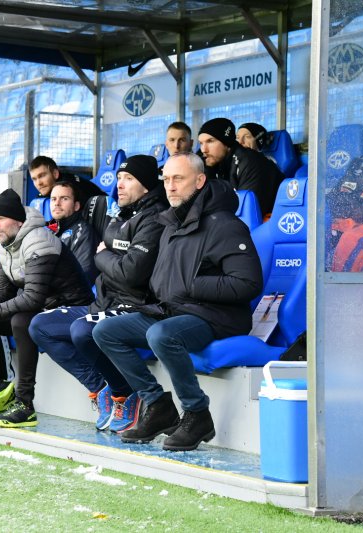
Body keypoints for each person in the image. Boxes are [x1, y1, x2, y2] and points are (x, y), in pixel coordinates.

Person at [92, 153, 263, 451]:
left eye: (178, 179)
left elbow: (247, 284)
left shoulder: (225, 225)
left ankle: (196, 413)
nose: (170, 186)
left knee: (162, 335)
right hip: (172, 311)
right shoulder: (171, 223)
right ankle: (158, 405)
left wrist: (192, 285)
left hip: (214, 317)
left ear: (199, 180)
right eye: (167, 179)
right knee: (106, 331)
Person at [29, 154, 168, 432]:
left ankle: (123, 391)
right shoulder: (120, 215)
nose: (121, 185)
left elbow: (129, 272)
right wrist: (109, 257)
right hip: (104, 302)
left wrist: (103, 257)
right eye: (119, 178)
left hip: (133, 305)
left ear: (146, 185)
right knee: (40, 325)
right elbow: (113, 260)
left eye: (129, 179)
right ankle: (100, 385)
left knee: (82, 331)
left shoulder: (153, 218)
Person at [0, 189, 93, 427]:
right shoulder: (5, 243)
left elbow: (33, 298)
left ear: (19, 220)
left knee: (21, 320)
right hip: (45, 307)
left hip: (72, 308)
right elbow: (1, 291)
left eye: (1, 219)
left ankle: (25, 404)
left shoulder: (38, 239)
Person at [198, 117, 283, 217]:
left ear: (227, 142)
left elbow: (247, 213)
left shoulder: (251, 162)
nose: (204, 149)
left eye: (210, 141)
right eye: (201, 143)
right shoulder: (210, 160)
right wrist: (208, 170)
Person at [48, 179, 100, 281]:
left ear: (76, 206)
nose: (57, 203)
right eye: (53, 199)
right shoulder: (48, 231)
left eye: (64, 198)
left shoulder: (83, 232)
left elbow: (84, 274)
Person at [28, 155, 61, 221]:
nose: (39, 183)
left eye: (42, 176)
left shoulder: (73, 192)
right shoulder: (38, 200)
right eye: (34, 179)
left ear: (55, 174)